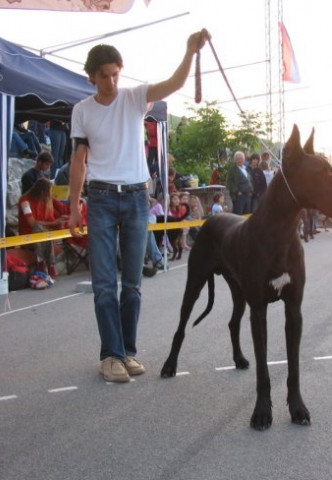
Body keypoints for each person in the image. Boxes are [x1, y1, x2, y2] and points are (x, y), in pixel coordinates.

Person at [67, 30, 210, 383]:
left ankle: (127, 352)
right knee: (103, 284)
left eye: (116, 73)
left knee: (132, 284)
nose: (112, 81)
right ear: (92, 76)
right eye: (104, 75)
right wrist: (73, 207)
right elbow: (78, 160)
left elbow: (174, 83)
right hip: (99, 198)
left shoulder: (134, 98)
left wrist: (189, 51)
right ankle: (109, 356)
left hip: (135, 197)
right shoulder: (82, 110)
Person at [18, 178, 68, 279]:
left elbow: (52, 221)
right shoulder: (25, 201)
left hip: (44, 235)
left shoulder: (47, 201)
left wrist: (60, 221)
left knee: (45, 234)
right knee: (38, 228)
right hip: (29, 236)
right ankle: (48, 264)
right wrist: (54, 222)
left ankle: (42, 263)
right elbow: (32, 222)